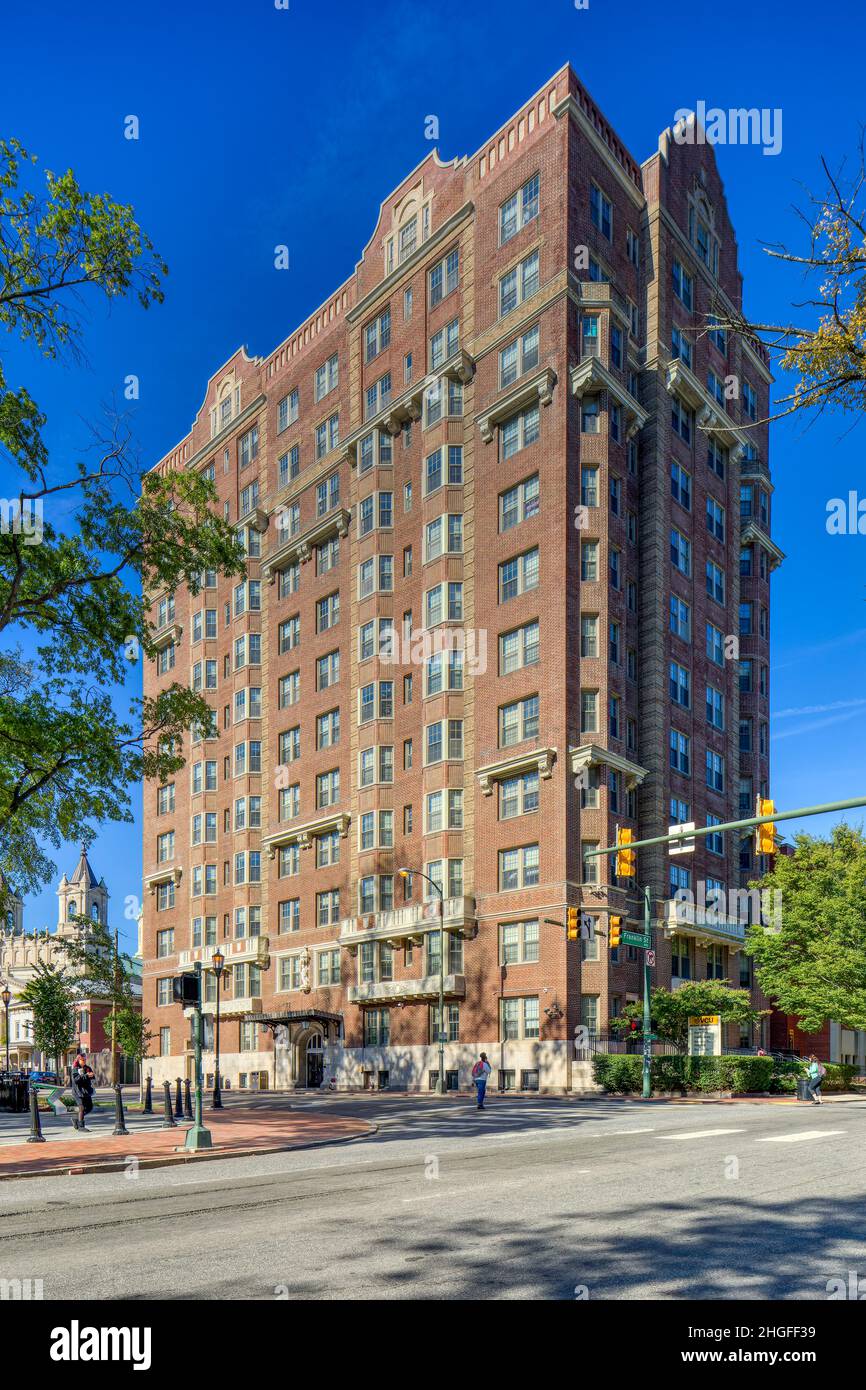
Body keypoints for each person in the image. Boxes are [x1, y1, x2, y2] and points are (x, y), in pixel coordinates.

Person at [70, 1050, 95, 1131]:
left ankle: (76, 1119)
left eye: (85, 1060)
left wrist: (91, 1076)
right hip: (78, 1092)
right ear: (78, 1060)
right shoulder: (75, 1069)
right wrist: (86, 1076)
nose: (84, 1061)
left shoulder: (87, 1068)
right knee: (82, 1108)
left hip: (86, 1091)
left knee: (90, 1107)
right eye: (82, 1060)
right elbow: (76, 1080)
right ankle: (81, 1126)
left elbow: (92, 1077)